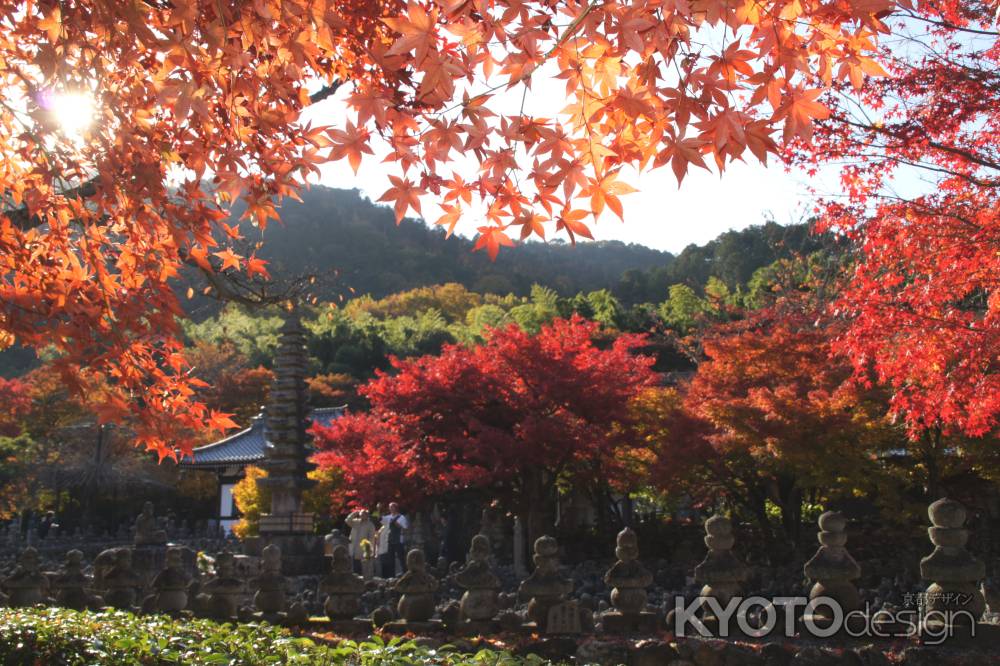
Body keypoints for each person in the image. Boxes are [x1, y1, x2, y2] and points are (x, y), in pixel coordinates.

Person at [380, 502, 409, 577]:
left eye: (393, 507)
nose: (391, 509)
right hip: (390, 540)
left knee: (401, 558)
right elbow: (381, 520)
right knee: (390, 559)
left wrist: (398, 525)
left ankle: (405, 573)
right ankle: (391, 575)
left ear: (396, 508)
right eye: (390, 507)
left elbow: (405, 529)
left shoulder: (401, 517)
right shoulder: (388, 517)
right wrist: (379, 509)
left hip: (399, 540)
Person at [344, 508, 376, 575]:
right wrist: (355, 513)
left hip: (363, 547)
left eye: (364, 514)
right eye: (361, 514)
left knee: (363, 566)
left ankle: (363, 578)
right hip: (354, 546)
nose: (362, 516)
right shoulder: (356, 522)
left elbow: (372, 538)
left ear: (367, 515)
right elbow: (347, 520)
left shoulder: (370, 525)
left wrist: (370, 550)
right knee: (353, 564)